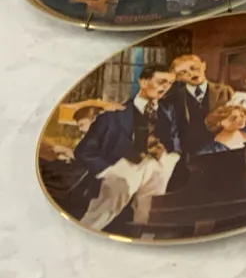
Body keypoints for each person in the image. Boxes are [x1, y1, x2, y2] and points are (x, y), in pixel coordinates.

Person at [71, 65, 181, 232]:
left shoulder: (168, 112)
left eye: (170, 83)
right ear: (143, 82)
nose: (166, 87)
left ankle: (145, 242)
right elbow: (83, 151)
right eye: (161, 81)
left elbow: (176, 142)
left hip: (157, 168)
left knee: (150, 217)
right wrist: (109, 171)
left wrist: (168, 159)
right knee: (100, 215)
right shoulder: (113, 115)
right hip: (123, 168)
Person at [164, 54, 236, 153]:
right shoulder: (172, 99)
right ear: (178, 78)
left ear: (203, 66)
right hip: (188, 154)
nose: (191, 73)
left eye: (193, 68)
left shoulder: (225, 91)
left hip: (221, 150)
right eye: (183, 72)